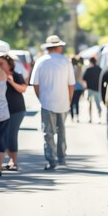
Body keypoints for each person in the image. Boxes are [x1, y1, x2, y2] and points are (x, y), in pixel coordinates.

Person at [30, 35, 75, 170]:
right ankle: (62, 158)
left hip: (46, 101)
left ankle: (51, 160)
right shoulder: (66, 61)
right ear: (59, 47)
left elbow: (35, 84)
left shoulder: (40, 61)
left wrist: (41, 98)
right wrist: (69, 100)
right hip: (63, 101)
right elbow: (71, 84)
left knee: (48, 132)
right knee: (62, 131)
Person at [0, 54, 27, 171]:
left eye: (1, 63)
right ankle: (10, 160)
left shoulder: (16, 75)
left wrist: (11, 82)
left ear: (9, 65)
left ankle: (14, 161)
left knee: (11, 134)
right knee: (4, 135)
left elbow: (23, 89)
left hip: (16, 110)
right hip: (2, 110)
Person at [82, 57, 102, 123]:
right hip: (97, 89)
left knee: (90, 104)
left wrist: (85, 88)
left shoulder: (88, 69)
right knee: (98, 104)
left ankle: (90, 118)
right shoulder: (100, 69)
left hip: (90, 89)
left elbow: (84, 79)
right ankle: (99, 118)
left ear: (90, 62)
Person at [70, 57, 84, 122]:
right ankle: (77, 116)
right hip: (79, 87)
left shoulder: (70, 69)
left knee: (72, 103)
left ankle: (72, 116)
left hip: (72, 87)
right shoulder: (79, 68)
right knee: (77, 102)